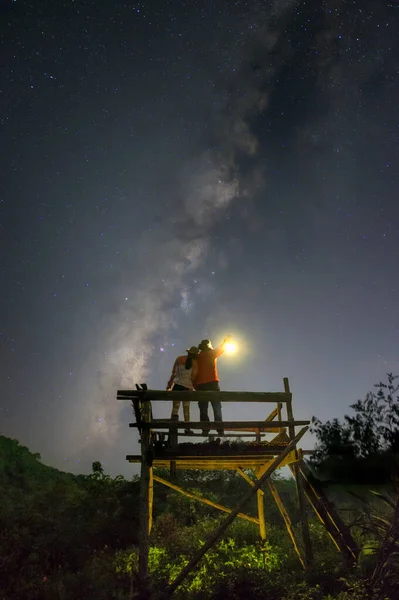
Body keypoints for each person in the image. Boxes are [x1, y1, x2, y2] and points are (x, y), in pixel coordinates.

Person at [193, 335, 232, 436]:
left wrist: (194, 385)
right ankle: (220, 429)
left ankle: (205, 429)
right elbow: (222, 347)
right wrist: (226, 340)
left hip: (200, 384)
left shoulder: (197, 356)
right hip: (212, 383)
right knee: (216, 406)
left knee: (203, 408)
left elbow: (193, 371)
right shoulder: (212, 353)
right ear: (208, 346)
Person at [167, 346, 199, 435]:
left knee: (175, 408)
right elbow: (193, 377)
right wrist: (194, 388)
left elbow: (173, 373)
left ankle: (173, 428)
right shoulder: (195, 363)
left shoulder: (179, 359)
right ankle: (187, 428)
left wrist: (169, 384)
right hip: (187, 387)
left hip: (176, 386)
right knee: (186, 409)